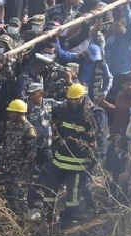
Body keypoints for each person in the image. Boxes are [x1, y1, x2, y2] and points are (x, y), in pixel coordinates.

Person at [43, 83, 97, 226]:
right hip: (60, 159)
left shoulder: (87, 116)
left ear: (81, 98)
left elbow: (93, 139)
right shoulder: (63, 110)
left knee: (73, 192)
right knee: (51, 185)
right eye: (70, 99)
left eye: (75, 99)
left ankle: (69, 216)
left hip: (77, 162)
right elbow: (56, 127)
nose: (72, 102)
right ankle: (49, 214)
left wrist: (92, 160)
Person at [0, 99, 38, 215]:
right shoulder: (10, 126)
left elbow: (31, 153)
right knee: (9, 195)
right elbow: (5, 146)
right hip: (9, 168)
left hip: (21, 171)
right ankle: (12, 218)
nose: (9, 114)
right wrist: (1, 163)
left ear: (20, 113)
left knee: (20, 196)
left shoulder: (28, 130)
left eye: (12, 112)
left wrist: (24, 170)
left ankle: (22, 220)